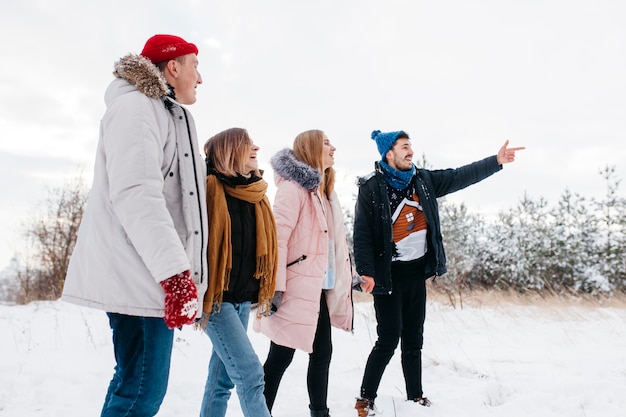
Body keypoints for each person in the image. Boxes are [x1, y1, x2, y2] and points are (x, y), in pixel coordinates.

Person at [61, 34, 207, 417]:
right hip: (141, 274)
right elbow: (137, 195)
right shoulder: (139, 108)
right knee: (142, 392)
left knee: (132, 383)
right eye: (195, 65)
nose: (200, 78)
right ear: (172, 67)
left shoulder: (160, 111)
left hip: (147, 272)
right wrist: (176, 275)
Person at [353, 130, 524, 416]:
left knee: (414, 337)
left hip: (416, 272)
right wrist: (366, 272)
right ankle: (365, 399)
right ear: (388, 154)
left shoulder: (424, 180)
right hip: (388, 274)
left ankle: (415, 396)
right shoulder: (372, 188)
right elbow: (362, 234)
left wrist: (496, 160)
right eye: (404, 147)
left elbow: (459, 176)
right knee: (388, 338)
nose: (410, 152)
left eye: (411, 147)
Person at [254, 129, 354, 417]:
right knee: (280, 358)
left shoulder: (325, 192)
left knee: (321, 354)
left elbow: (331, 244)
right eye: (326, 143)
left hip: (317, 289)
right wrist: (275, 287)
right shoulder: (293, 189)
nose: (333, 148)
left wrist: (351, 275)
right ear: (311, 147)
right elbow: (278, 239)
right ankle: (259, 411)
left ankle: (319, 413)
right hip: (294, 290)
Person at [199, 128, 278, 417]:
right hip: (216, 299)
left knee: (221, 380)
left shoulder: (255, 193)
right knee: (250, 374)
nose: (256, 147)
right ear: (229, 150)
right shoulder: (207, 189)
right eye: (247, 144)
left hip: (243, 298)